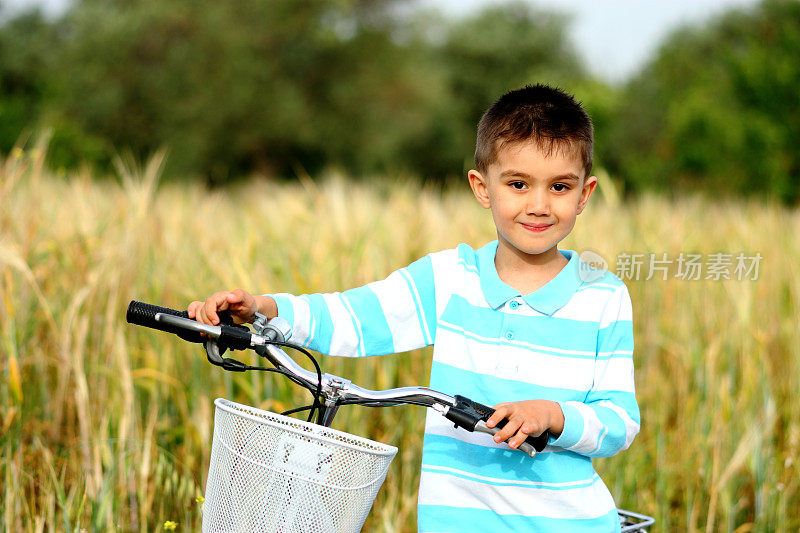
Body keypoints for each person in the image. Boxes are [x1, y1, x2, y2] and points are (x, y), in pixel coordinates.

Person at [189, 84, 640, 532]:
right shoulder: (447, 279)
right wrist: (261, 309)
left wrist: (553, 414)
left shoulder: (602, 296)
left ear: (585, 194)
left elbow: (619, 421)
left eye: (560, 187)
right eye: (518, 184)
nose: (539, 205)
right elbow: (351, 317)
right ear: (482, 188)